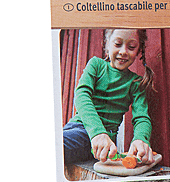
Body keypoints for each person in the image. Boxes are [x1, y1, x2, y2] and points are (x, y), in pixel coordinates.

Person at [63, 28, 155, 165]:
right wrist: (97, 133)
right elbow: (82, 95)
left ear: (138, 51)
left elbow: (141, 118)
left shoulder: (135, 83)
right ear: (107, 44)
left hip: (94, 140)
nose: (123, 51)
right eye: (117, 44)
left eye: (131, 47)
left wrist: (140, 139)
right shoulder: (96, 65)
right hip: (77, 128)